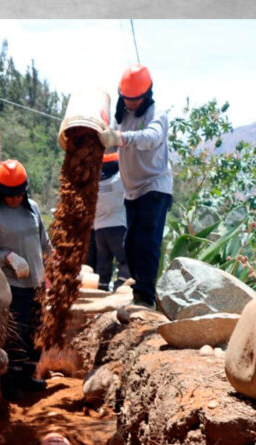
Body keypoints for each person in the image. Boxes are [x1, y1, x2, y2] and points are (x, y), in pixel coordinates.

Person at [97, 64, 173, 308]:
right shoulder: (124, 114)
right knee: (130, 246)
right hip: (132, 191)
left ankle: (146, 297)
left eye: (135, 100)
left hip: (154, 186)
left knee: (146, 241)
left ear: (146, 95)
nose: (130, 104)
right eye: (126, 99)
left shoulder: (157, 113)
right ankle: (139, 289)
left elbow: (151, 138)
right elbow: (112, 132)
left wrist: (120, 138)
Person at [0, 159, 52, 400]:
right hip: (14, 285)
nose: (14, 199)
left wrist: (54, 263)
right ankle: (10, 381)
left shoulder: (32, 208)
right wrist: (7, 256)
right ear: (1, 192)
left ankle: (28, 376)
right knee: (16, 334)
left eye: (19, 194)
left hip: (37, 284)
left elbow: (44, 242)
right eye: (10, 195)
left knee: (34, 331)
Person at [94, 152, 130, 291]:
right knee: (126, 260)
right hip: (118, 227)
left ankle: (101, 289)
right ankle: (119, 286)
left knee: (103, 263)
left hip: (99, 231)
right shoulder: (119, 180)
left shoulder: (96, 184)